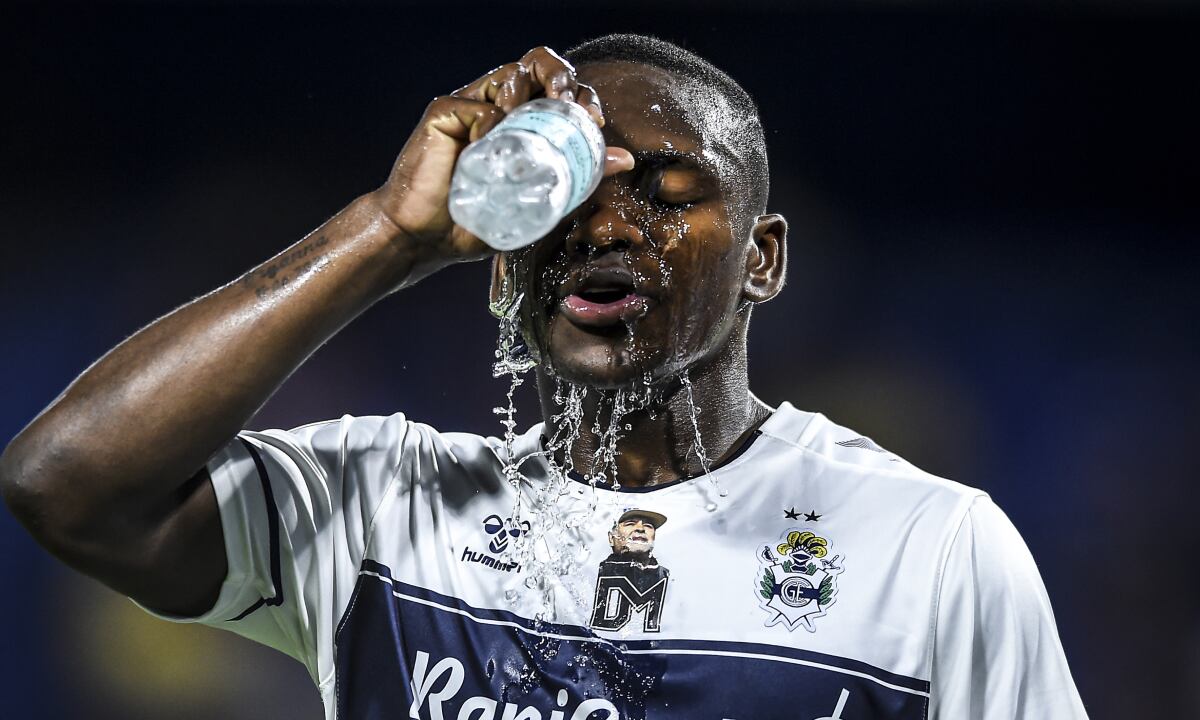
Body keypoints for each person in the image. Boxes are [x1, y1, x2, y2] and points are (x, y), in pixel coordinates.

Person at [0, 34, 1087, 720]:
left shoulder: (928, 546)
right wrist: (390, 233)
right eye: (565, 199)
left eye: (667, 189)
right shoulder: (387, 504)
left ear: (762, 257)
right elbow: (67, 484)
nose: (607, 226)